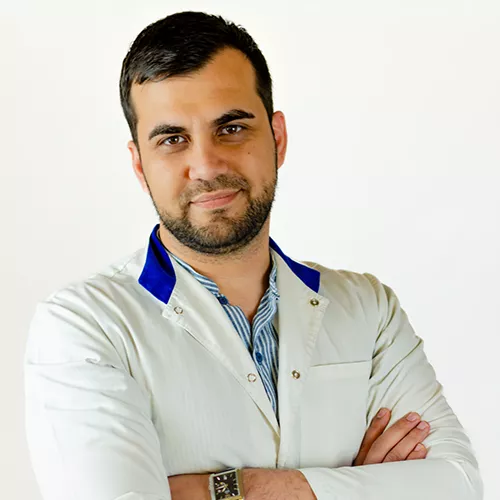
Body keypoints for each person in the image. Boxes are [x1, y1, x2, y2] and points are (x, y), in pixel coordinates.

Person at [24, 10, 483, 500]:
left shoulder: (368, 309)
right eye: (173, 139)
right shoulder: (85, 327)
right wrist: (361, 485)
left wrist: (241, 488)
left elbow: (457, 484)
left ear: (277, 138)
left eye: (231, 128)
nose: (206, 166)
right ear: (140, 165)